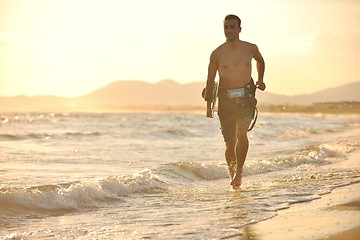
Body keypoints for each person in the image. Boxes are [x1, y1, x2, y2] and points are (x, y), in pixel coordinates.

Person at [204, 14, 265, 188]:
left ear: (239, 29)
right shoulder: (217, 53)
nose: (229, 30)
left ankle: (239, 172)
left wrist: (260, 80)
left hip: (246, 97)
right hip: (225, 100)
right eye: (226, 27)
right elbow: (210, 78)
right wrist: (208, 99)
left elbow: (260, 60)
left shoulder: (250, 48)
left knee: (241, 134)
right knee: (229, 143)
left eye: (232, 27)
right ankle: (233, 176)